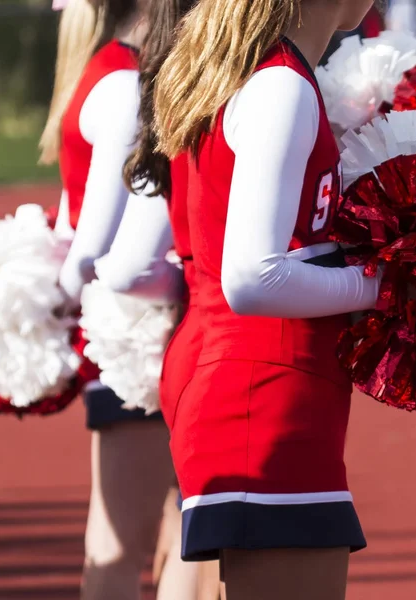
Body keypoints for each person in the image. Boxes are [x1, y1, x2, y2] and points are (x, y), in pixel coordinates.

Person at [153, 1, 381, 598]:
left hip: (255, 377)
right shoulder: (280, 85)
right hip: (263, 391)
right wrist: (385, 284)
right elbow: (253, 277)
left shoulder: (260, 73)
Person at [39, 1, 195, 598]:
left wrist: (52, 301)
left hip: (124, 332)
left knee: (174, 532)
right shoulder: (128, 82)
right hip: (140, 336)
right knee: (123, 544)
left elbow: (70, 229)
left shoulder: (95, 70)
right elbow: (97, 249)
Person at [98, 0, 224, 597]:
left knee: (192, 545)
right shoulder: (224, 99)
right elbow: (123, 264)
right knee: (198, 560)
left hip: (198, 345)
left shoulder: (175, 94)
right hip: (219, 349)